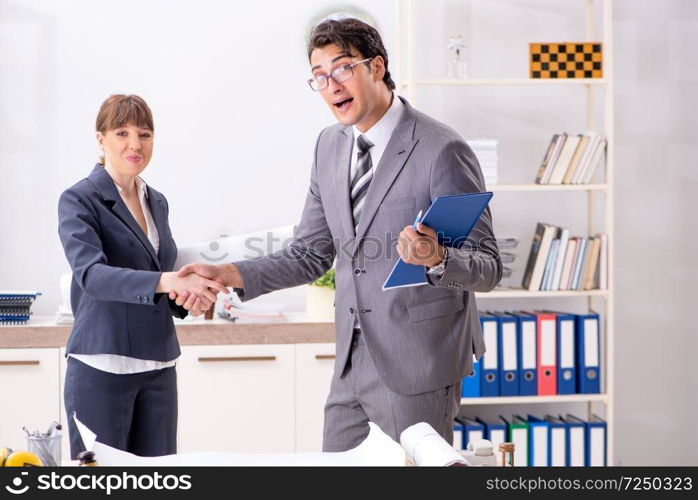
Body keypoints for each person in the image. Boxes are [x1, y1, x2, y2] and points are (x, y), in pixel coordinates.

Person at [173, 18, 501, 451]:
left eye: (342, 68)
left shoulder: (441, 148)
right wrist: (227, 273)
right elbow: (310, 254)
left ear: (377, 66)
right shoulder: (329, 146)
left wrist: (437, 256)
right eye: (320, 77)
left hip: (418, 364)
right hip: (349, 365)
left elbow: (489, 267)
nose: (331, 85)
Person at [58, 94, 228, 458]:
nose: (135, 144)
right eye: (122, 132)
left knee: (157, 482)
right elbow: (92, 275)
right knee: (101, 483)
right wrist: (168, 282)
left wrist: (187, 297)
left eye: (145, 134)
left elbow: (158, 268)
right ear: (101, 139)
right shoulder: (79, 199)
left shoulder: (157, 200)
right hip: (102, 363)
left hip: (159, 364)